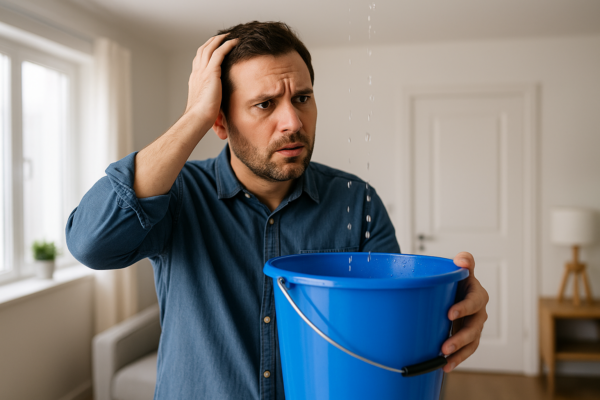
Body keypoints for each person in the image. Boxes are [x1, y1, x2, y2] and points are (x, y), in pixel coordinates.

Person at [66, 21, 488, 400]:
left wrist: (445, 311)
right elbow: (91, 244)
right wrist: (193, 115)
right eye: (265, 104)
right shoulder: (177, 194)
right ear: (220, 123)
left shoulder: (355, 201)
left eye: (302, 98)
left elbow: (388, 330)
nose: (293, 121)